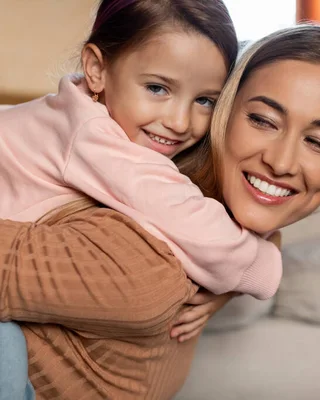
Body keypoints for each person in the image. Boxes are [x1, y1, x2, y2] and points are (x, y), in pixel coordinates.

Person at [0, 23, 320, 399]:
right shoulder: (149, 256)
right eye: (262, 120)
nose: (281, 162)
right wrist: (250, 267)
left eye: (319, 142)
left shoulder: (206, 234)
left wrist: (241, 274)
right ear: (222, 112)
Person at [0, 0, 282, 301]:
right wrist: (267, 263)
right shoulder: (92, 134)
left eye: (205, 101)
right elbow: (206, 238)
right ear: (97, 68)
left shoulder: (74, 113)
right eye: (157, 89)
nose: (179, 122)